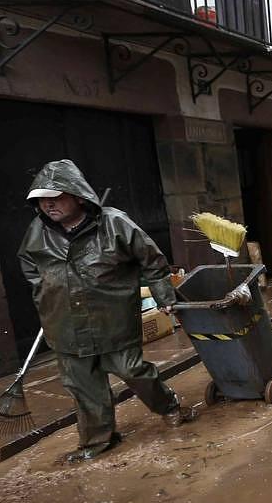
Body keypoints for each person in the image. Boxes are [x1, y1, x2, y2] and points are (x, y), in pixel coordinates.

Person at [18, 160, 196, 462]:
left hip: (112, 319)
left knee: (132, 370)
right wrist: (45, 292)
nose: (49, 205)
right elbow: (29, 265)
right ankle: (97, 440)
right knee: (82, 385)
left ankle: (169, 407)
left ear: (77, 195)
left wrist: (165, 296)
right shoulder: (38, 232)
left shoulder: (114, 223)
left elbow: (151, 260)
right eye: (42, 200)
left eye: (56, 197)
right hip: (64, 323)